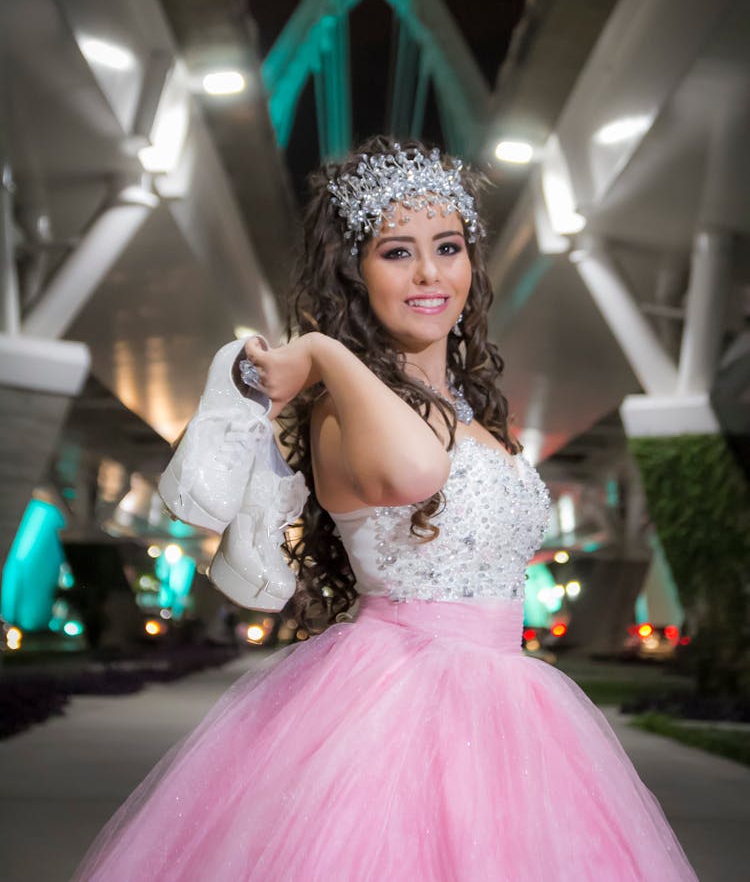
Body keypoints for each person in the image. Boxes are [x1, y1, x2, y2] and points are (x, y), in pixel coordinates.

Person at [72, 138, 696, 881]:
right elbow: (414, 468)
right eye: (397, 252)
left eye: (449, 246)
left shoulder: (478, 415)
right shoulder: (341, 406)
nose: (431, 273)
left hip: (510, 707)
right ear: (354, 272)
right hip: (390, 710)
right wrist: (326, 353)